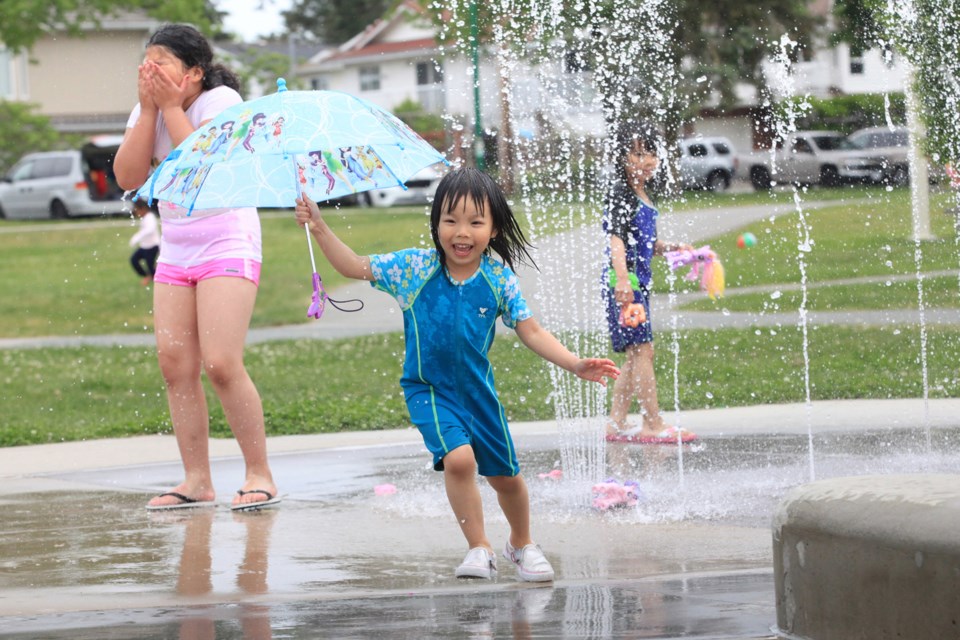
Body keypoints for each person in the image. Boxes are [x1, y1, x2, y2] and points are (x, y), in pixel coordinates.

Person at [294, 167, 619, 582]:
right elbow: (354, 266)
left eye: (475, 222)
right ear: (436, 224)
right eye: (450, 220)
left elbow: (531, 330)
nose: (461, 232)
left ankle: (521, 543)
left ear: (495, 229)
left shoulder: (498, 278)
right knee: (460, 460)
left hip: (479, 395)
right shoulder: (413, 269)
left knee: (507, 478)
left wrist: (574, 363)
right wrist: (318, 226)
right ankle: (479, 547)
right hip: (429, 390)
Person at [114, 24, 279, 511]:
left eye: (160, 64)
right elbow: (127, 177)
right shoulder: (147, 111)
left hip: (228, 240)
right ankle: (196, 480)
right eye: (145, 64)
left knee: (222, 364)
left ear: (193, 73)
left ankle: (260, 473)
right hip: (178, 249)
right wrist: (149, 111)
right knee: (175, 366)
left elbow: (206, 171)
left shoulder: (220, 101)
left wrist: (167, 108)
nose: (149, 72)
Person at [602, 120, 697, 445]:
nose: (646, 161)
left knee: (635, 352)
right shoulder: (621, 192)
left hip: (635, 284)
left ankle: (615, 423)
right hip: (625, 284)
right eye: (638, 153)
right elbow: (616, 240)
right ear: (622, 157)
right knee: (643, 351)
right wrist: (623, 280)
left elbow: (644, 242)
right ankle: (652, 424)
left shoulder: (643, 193)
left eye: (651, 153)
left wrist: (672, 248)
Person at [128, 198, 160, 286]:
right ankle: (147, 276)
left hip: (152, 246)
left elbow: (150, 229)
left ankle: (155, 279)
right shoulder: (145, 218)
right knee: (134, 260)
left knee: (150, 266)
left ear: (143, 209)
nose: (137, 213)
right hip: (145, 246)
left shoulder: (150, 217)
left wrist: (137, 237)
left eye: (137, 210)